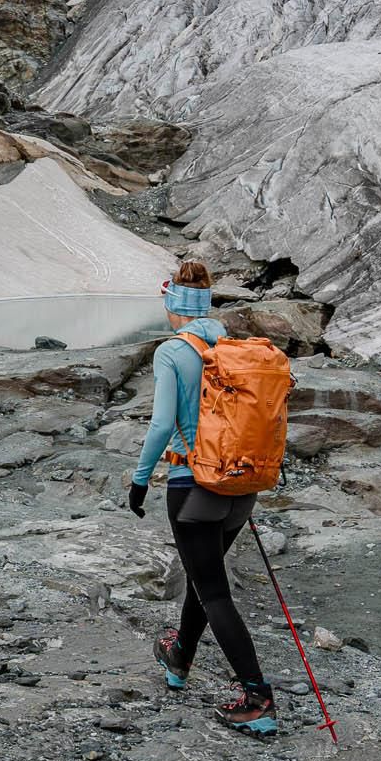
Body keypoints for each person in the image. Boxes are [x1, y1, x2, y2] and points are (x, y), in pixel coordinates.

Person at [126, 261, 278, 734]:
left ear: (174, 306)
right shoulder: (228, 344)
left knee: (213, 590)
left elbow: (160, 423)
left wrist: (139, 478)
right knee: (201, 577)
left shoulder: (173, 351)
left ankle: (258, 698)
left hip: (194, 486)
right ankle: (179, 659)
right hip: (240, 486)